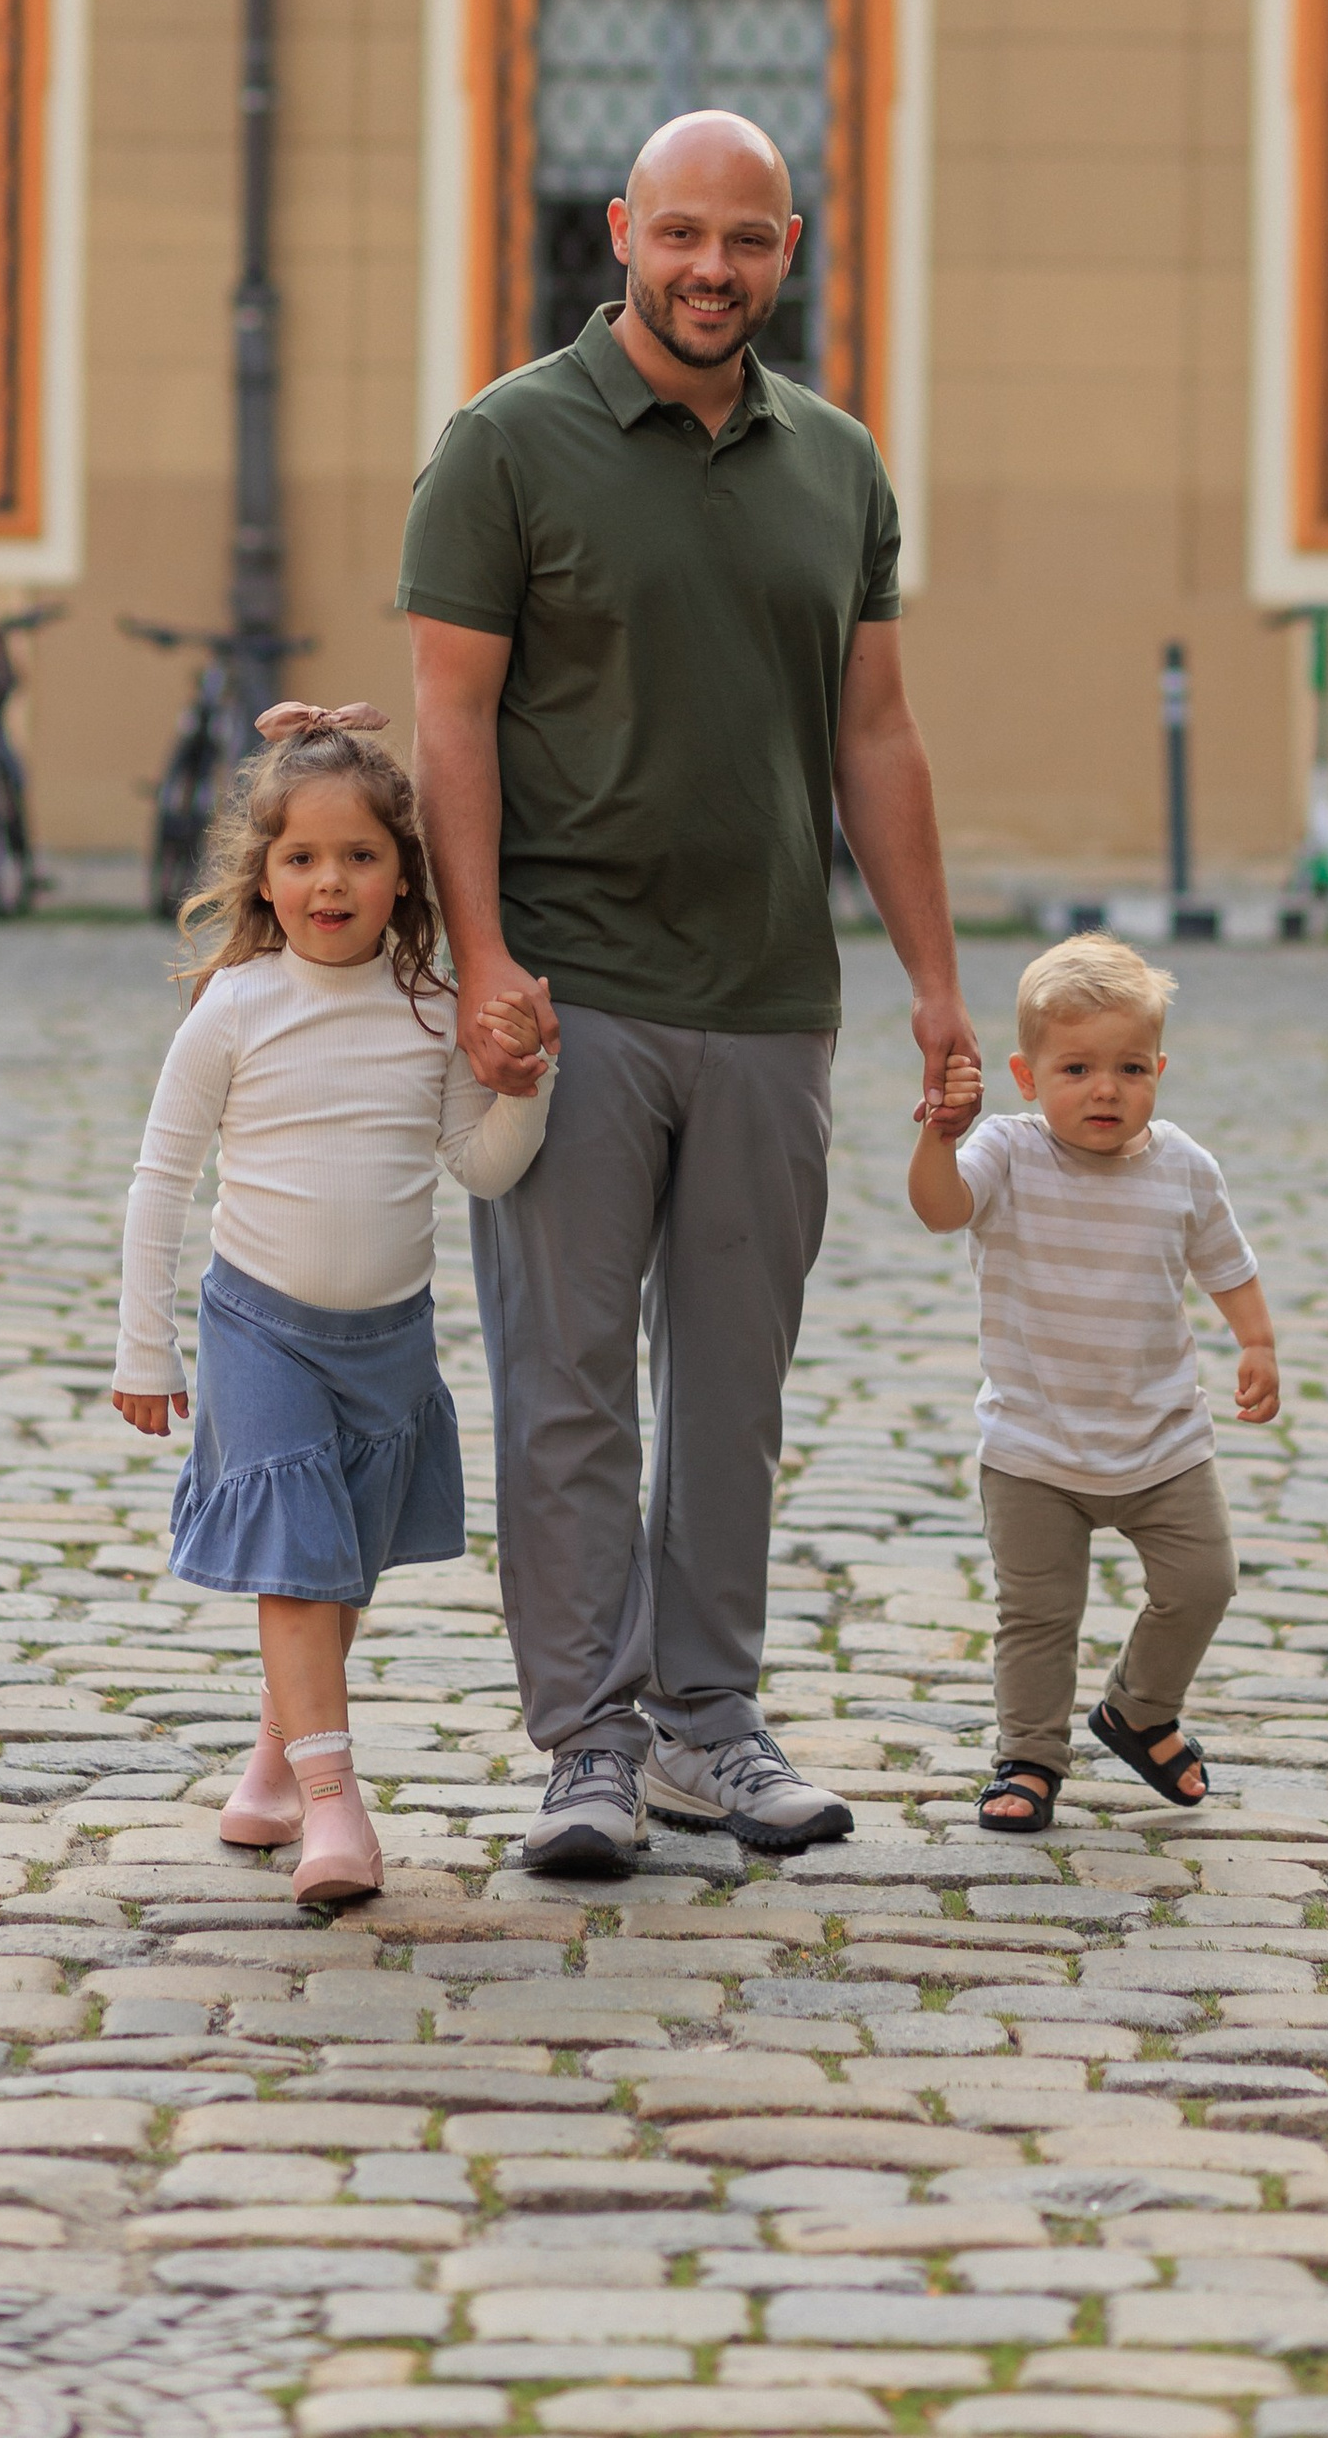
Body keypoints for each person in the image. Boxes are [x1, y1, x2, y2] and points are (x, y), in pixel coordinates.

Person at [396, 108, 980, 1876]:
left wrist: (936, 985)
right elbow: (448, 722)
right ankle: (586, 1740)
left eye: (745, 240)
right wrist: (487, 956)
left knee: (736, 1380)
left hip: (766, 996)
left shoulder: (839, 468)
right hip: (572, 996)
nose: (710, 270)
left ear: (787, 248)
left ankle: (707, 1728)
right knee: (568, 1379)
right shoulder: (505, 445)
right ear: (621, 233)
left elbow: (874, 733)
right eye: (680, 236)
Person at [109, 721, 553, 1904]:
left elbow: (483, 1165)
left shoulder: (430, 1008)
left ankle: (269, 1765)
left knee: (339, 1567)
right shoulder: (235, 1009)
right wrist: (143, 1345)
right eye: (301, 858)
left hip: (386, 1341)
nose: (329, 882)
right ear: (264, 877)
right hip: (258, 1327)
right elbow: (163, 1177)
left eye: (358, 856)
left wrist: (524, 1084)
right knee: (300, 1569)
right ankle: (333, 1809)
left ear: (403, 874)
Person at [907, 932, 1279, 1834]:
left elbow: (1226, 1263)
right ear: (1028, 1077)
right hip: (1033, 1448)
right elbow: (939, 1208)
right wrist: (939, 1137)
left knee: (1205, 1581)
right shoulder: (1005, 1151)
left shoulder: (1184, 1166)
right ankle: (1029, 1755)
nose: (1105, 1089)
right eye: (1076, 1067)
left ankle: (1139, 1710)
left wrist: (1257, 1342)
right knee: (1037, 1616)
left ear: (1159, 1067)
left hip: (1163, 1442)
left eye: (1129, 1067)